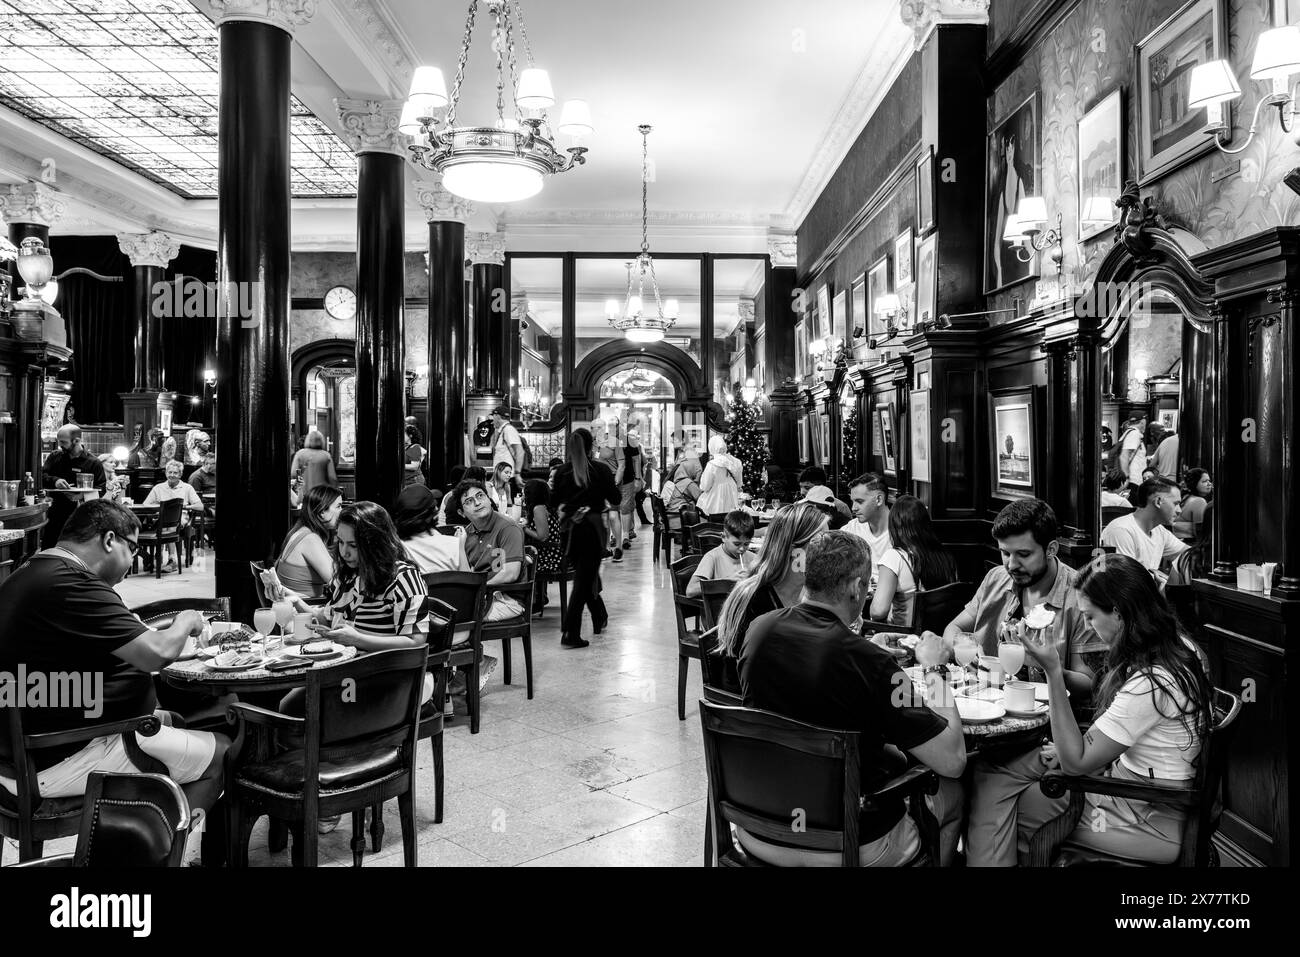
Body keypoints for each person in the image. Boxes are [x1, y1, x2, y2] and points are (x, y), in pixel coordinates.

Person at [738, 531, 966, 866]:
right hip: (844, 844)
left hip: (759, 828)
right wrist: (933, 668)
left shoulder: (759, 630)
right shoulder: (872, 664)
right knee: (953, 795)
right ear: (857, 587)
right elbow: (953, 760)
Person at [0, 500, 229, 830]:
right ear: (109, 540)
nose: (134, 559)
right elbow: (157, 652)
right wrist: (184, 621)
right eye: (132, 548)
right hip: (60, 757)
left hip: (25, 753)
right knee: (223, 753)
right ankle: (158, 852)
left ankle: (136, 834)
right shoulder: (74, 583)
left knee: (175, 721)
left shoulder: (29, 573)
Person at [1012, 554, 1212, 865]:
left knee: (1022, 807)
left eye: (1090, 616)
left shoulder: (1151, 682)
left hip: (1146, 821)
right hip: (1144, 798)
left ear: (1118, 613)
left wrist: (1052, 670)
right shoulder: (1184, 648)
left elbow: (1076, 763)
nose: (1089, 627)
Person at [947, 499, 1107, 867]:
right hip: (988, 720)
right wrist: (962, 644)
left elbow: (1089, 683)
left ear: (1051, 548)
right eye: (1004, 553)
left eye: (1022, 554)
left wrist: (1047, 665)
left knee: (980, 774)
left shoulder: (1077, 596)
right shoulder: (996, 579)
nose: (1011, 565)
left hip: (1048, 732)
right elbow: (955, 627)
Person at [713, 501, 830, 660]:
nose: (828, 552)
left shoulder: (811, 592)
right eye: (820, 543)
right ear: (793, 550)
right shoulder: (753, 599)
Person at [551, 430, 620, 648]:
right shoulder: (600, 469)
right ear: (591, 446)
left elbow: (554, 501)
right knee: (583, 581)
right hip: (591, 530)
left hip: (570, 531)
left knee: (586, 575)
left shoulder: (562, 471)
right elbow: (615, 498)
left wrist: (570, 506)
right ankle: (571, 633)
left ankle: (599, 615)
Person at [869, 495, 958, 627]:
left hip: (903, 638)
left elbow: (878, 612)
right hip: (938, 635)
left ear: (894, 525)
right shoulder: (945, 556)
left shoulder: (894, 557)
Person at [1101, 476, 1189, 587]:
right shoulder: (1121, 530)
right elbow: (1124, 583)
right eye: (1175, 504)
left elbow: (1188, 554)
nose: (1179, 511)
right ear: (1158, 502)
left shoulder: (1159, 531)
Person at [458, 479, 525, 624]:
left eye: (480, 496)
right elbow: (465, 575)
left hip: (508, 599)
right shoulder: (466, 534)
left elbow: (510, 573)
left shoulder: (507, 528)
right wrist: (460, 546)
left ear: (489, 498)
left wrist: (479, 590)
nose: (477, 502)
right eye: (469, 501)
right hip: (480, 596)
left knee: (458, 618)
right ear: (461, 513)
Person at [42, 424, 107, 547]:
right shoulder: (55, 457)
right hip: (56, 512)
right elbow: (41, 475)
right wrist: (55, 480)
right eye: (59, 441)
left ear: (76, 441)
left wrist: (81, 496)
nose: (60, 445)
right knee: (50, 547)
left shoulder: (93, 462)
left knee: (76, 549)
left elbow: (101, 488)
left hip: (82, 515)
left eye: (63, 442)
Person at [273, 484, 343, 600]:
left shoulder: (301, 531)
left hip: (301, 606)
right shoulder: (310, 539)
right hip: (305, 609)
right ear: (322, 512)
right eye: (338, 506)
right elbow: (337, 581)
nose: (342, 511)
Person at [142, 459, 204, 572]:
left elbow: (200, 506)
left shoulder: (187, 488)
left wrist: (185, 507)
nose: (172, 475)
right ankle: (155, 557)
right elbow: (145, 504)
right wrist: (156, 508)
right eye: (169, 472)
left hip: (180, 518)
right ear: (166, 473)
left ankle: (171, 560)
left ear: (180, 474)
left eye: (175, 473)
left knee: (169, 524)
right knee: (154, 524)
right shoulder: (158, 488)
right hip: (160, 517)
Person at [393, 484, 468, 574]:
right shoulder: (454, 545)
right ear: (433, 512)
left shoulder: (398, 548)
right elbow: (469, 582)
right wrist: (460, 546)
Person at [686, 509, 757, 598]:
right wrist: (726, 581)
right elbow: (690, 590)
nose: (742, 549)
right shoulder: (712, 557)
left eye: (746, 544)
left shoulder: (753, 558)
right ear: (723, 537)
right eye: (737, 544)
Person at [520, 478, 563, 616]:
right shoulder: (546, 506)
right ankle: (538, 599)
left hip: (548, 555)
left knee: (519, 562)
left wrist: (524, 528)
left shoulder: (538, 508)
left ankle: (529, 602)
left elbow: (543, 536)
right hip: (551, 551)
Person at [844, 472, 892, 576]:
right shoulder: (852, 529)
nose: (853, 508)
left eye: (859, 501)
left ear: (879, 500)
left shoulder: (902, 532)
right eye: (852, 502)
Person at [697, 435, 744, 517]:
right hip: (733, 498)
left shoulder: (712, 464)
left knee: (715, 523)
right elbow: (739, 484)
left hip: (715, 500)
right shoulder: (736, 462)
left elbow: (705, 486)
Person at [615, 428, 646, 551]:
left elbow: (637, 459)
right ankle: (616, 536)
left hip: (627, 479)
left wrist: (638, 478)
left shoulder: (629, 441)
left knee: (626, 507)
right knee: (614, 508)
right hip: (611, 479)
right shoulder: (606, 440)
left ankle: (626, 535)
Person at [290, 429, 339, 500]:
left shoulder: (300, 454)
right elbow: (332, 478)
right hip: (322, 494)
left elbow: (293, 473)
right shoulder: (326, 456)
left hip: (305, 493)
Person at [661, 457, 702, 534]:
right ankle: (696, 543)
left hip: (672, 517)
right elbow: (701, 499)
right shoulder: (688, 483)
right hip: (679, 520)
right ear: (689, 470)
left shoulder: (680, 481)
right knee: (706, 522)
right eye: (693, 469)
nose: (695, 471)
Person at [1174, 468, 1213, 541]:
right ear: (1194, 483)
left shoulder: (1186, 497)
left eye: (1209, 481)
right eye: (1204, 481)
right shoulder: (1199, 501)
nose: (1209, 484)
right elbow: (1201, 534)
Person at [1116, 414, 1148, 497]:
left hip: (1132, 480)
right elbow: (1124, 456)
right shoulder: (1134, 434)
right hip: (1133, 480)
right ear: (1142, 422)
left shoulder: (1129, 433)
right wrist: (1126, 477)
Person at [490, 405, 524, 473]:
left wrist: (517, 473)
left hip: (508, 477)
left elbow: (520, 452)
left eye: (493, 416)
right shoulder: (502, 430)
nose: (492, 419)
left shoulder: (508, 429)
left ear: (497, 416)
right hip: (502, 476)